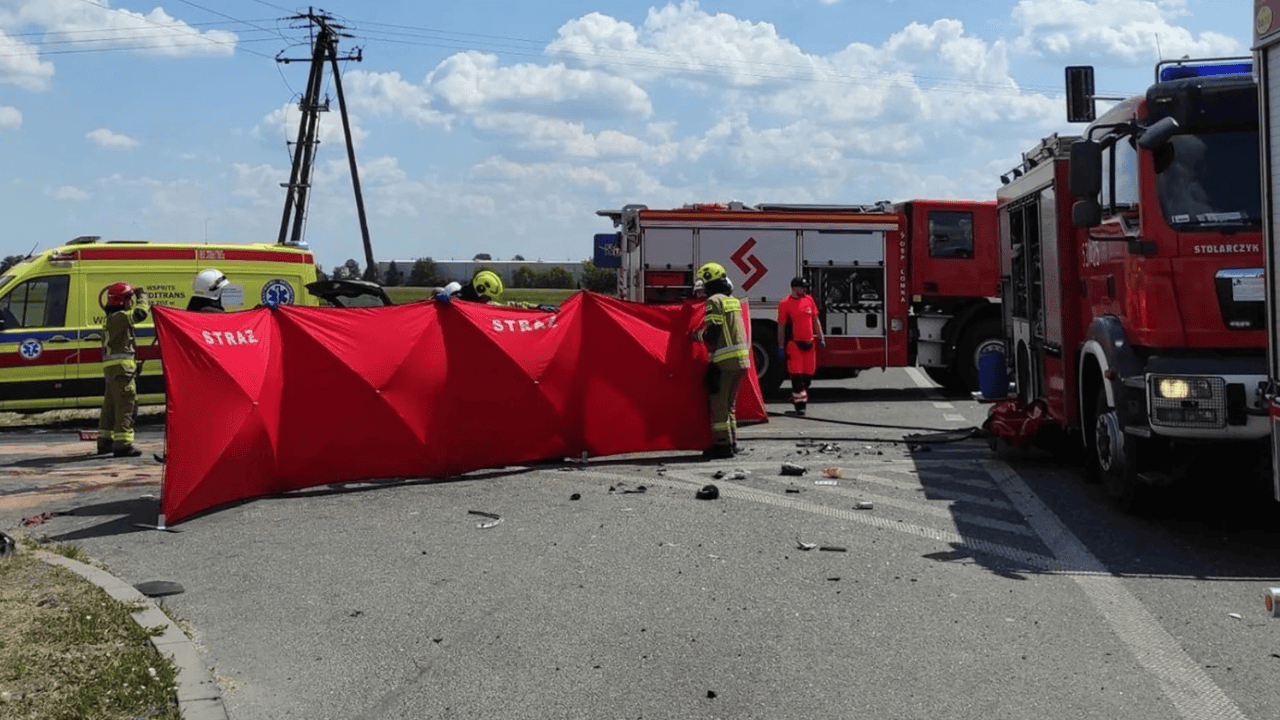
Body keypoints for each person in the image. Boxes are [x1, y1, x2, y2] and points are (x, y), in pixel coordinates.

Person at [690, 262, 750, 459]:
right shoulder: (731, 300)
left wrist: (695, 336)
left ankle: (722, 446)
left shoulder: (713, 301)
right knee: (729, 404)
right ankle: (732, 442)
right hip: (742, 360)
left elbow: (713, 333)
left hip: (725, 360)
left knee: (718, 404)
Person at [97, 282, 149, 457]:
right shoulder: (119, 317)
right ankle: (123, 444)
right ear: (121, 301)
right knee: (126, 405)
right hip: (121, 370)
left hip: (115, 370)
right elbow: (141, 313)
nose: (130, 303)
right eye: (129, 299)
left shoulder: (112, 319)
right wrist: (143, 295)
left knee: (110, 406)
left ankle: (105, 441)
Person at [776, 276, 825, 416]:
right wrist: (780, 346)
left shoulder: (809, 300)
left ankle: (797, 396)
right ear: (794, 288)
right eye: (802, 287)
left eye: (805, 287)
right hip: (794, 344)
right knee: (796, 376)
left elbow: (815, 319)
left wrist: (821, 337)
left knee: (808, 376)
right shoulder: (785, 303)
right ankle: (800, 405)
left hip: (809, 343)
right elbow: (781, 326)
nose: (804, 290)